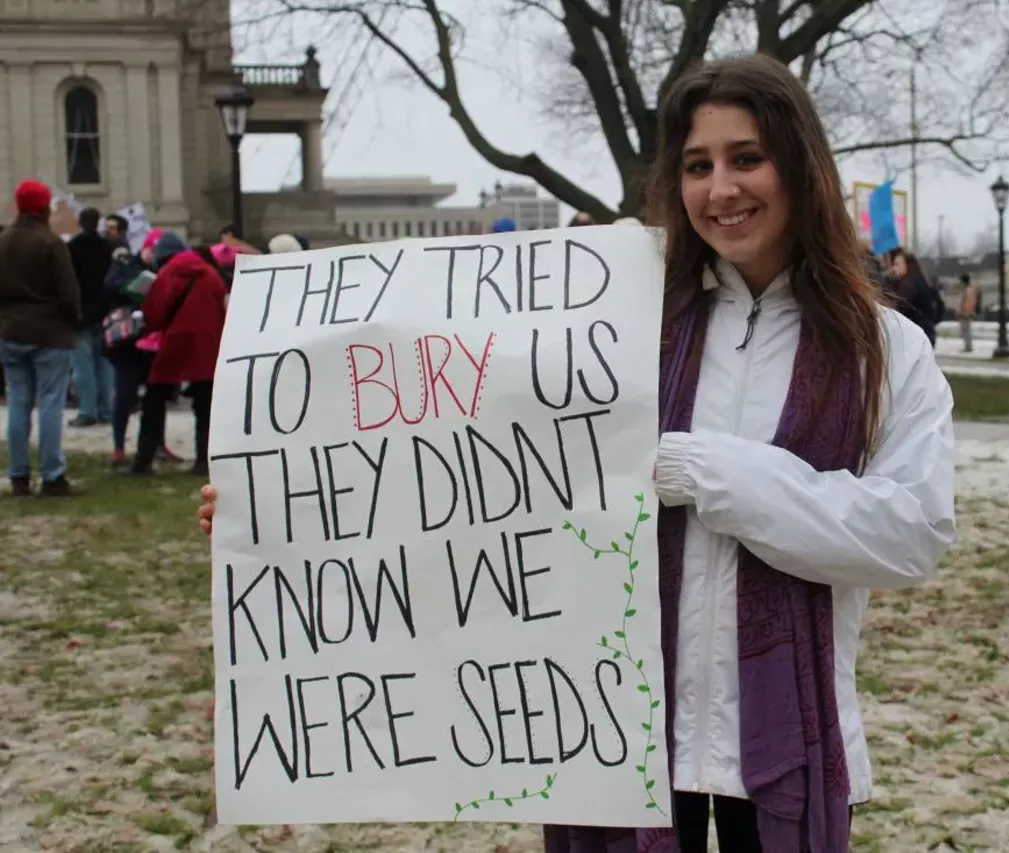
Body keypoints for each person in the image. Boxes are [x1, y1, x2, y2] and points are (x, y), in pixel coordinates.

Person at [202, 53, 956, 853]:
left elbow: (909, 532)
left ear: (799, 166)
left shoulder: (882, 349)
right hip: (614, 737)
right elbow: (474, 471)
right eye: (698, 165)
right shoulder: (618, 323)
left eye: (747, 158)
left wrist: (702, 470)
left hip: (778, 750)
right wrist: (280, 511)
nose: (721, 190)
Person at [0, 179, 82, 497]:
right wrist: (74, 321)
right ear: (43, 207)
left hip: (10, 331)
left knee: (18, 403)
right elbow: (68, 291)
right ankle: (52, 475)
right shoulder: (51, 244)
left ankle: (19, 475)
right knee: (50, 403)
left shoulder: (3, 241)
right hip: (49, 332)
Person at [129, 232, 228, 476]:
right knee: (205, 406)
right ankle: (204, 462)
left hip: (176, 343)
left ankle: (144, 461)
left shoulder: (168, 273)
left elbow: (156, 313)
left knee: (154, 400)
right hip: (209, 345)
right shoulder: (210, 273)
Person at [66, 207, 117, 427]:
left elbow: (68, 282)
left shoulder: (72, 248)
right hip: (105, 312)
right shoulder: (108, 247)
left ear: (80, 222)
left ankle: (87, 411)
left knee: (82, 366)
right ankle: (106, 410)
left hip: (81, 314)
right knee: (104, 363)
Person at [885, 247, 940, 346]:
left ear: (908, 266)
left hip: (915, 338)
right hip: (926, 334)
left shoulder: (910, 286)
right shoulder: (923, 281)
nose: (893, 268)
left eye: (897, 264)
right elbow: (940, 305)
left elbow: (898, 311)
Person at [956, 273, 979, 353]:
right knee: (965, 330)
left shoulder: (968, 290)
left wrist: (963, 312)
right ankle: (967, 346)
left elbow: (968, 303)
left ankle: (968, 347)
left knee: (966, 331)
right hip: (966, 313)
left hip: (965, 314)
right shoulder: (969, 289)